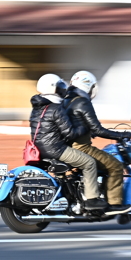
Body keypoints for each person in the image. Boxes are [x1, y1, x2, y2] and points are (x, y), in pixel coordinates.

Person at [29, 74, 106, 212]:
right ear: (53, 89)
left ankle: (70, 196)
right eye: (60, 86)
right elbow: (70, 133)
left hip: (40, 148)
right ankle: (91, 200)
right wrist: (84, 127)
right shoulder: (56, 108)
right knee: (89, 163)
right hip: (55, 149)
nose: (63, 89)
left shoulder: (37, 108)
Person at [65, 70, 131, 215]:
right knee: (115, 165)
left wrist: (91, 132)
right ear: (89, 86)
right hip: (82, 148)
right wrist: (121, 135)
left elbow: (78, 123)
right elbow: (98, 128)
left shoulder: (67, 100)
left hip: (68, 147)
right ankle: (114, 204)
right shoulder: (82, 102)